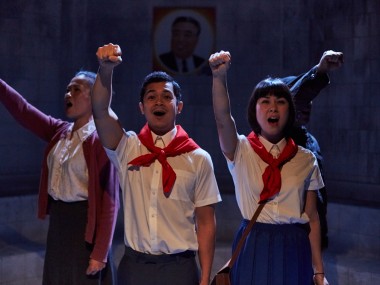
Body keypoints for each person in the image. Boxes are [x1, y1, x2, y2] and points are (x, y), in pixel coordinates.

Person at [92, 43, 221, 285]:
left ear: (179, 106)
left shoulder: (198, 158)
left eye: (166, 96)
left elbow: (205, 223)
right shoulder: (127, 147)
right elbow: (100, 111)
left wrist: (204, 278)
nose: (158, 102)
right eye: (151, 97)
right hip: (134, 268)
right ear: (142, 108)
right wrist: (105, 70)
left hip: (180, 269)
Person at [209, 50, 328, 285]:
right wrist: (219, 77)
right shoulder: (241, 150)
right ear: (254, 110)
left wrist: (319, 271)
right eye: (265, 102)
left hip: (295, 246)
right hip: (254, 244)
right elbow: (223, 118)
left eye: (280, 102)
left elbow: (313, 217)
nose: (273, 107)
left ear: (290, 112)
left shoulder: (305, 159)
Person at [0, 71, 119, 284]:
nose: (68, 94)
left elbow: (110, 202)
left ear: (93, 97)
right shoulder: (60, 131)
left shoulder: (101, 140)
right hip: (59, 223)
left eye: (76, 89)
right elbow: (23, 111)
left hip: (84, 227)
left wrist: (100, 253)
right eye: (67, 89)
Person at [282, 50, 344, 250]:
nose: (307, 105)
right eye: (301, 101)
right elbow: (296, 94)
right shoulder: (278, 138)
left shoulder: (310, 141)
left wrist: (321, 236)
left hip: (312, 232)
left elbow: (319, 194)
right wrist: (320, 70)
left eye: (310, 101)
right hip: (289, 231)